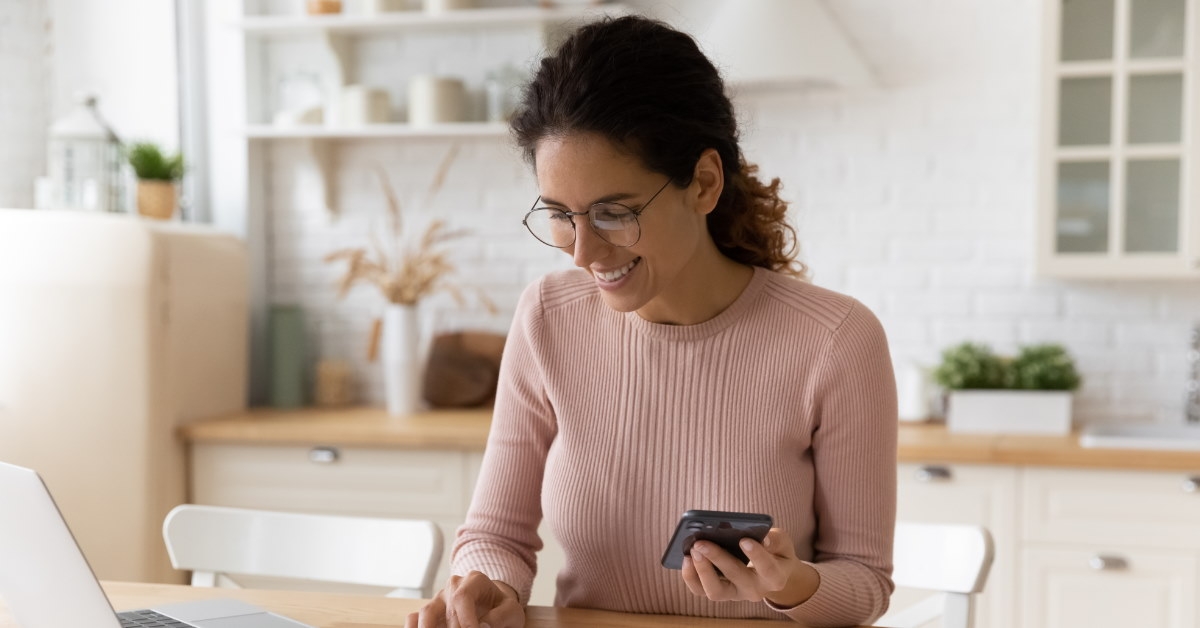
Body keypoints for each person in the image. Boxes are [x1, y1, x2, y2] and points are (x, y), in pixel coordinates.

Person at [407, 14, 897, 628]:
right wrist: (490, 588)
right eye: (561, 213)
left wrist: (793, 586)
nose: (582, 252)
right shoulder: (548, 320)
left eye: (613, 212)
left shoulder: (836, 340)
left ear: (704, 183)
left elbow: (865, 581)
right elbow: (496, 536)